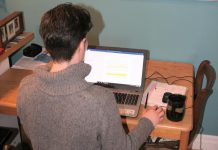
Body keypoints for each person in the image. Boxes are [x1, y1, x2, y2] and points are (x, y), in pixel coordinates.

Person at [17, 3, 165, 150]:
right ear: (82, 45)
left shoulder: (26, 86)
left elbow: (30, 129)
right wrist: (148, 121)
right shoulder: (100, 100)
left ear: (48, 45)